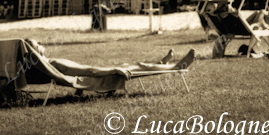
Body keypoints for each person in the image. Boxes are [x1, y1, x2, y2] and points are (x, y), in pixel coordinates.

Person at [25, 39, 195, 80]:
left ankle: (161, 64)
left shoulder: (48, 65)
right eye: (37, 44)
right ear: (35, 52)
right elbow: (88, 72)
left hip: (100, 71)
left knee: (133, 65)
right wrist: (114, 71)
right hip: (102, 74)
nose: (42, 44)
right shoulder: (54, 64)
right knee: (138, 66)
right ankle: (175, 67)